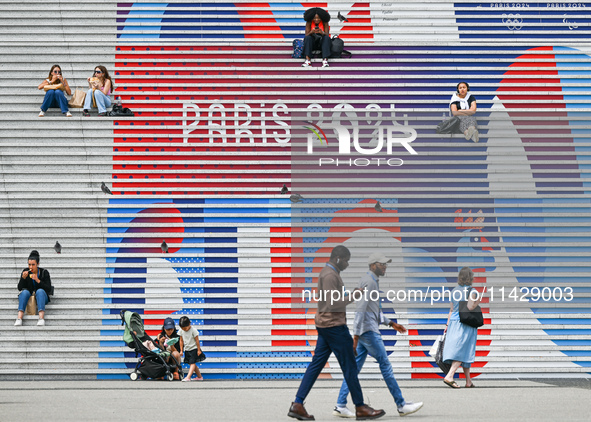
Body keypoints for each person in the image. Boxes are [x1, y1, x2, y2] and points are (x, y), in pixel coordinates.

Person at [288, 245, 385, 421]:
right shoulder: (330, 275)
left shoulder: (328, 273)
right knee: (350, 366)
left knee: (316, 365)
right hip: (334, 327)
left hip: (325, 326)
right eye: (346, 260)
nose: (347, 264)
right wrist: (354, 296)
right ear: (338, 258)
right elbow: (333, 304)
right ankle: (360, 407)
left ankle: (298, 404)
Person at [333, 252, 424, 418]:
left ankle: (340, 405)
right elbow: (360, 310)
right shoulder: (369, 282)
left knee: (353, 369)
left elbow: (373, 311)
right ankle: (401, 405)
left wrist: (392, 323)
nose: (385, 267)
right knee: (385, 365)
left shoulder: (372, 281)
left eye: (386, 264)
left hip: (365, 331)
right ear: (373, 265)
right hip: (368, 332)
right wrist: (355, 337)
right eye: (382, 264)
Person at [442, 267, 482, 388]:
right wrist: (478, 301)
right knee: (462, 350)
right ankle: (449, 376)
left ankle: (468, 381)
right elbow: (470, 307)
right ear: (471, 278)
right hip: (465, 323)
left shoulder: (454, 290)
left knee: (465, 350)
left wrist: (447, 325)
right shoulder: (472, 291)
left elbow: (451, 309)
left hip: (453, 322)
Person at [14, 250, 52, 326]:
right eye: (29, 264)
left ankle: (41, 318)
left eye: (33, 265)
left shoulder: (44, 272)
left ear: (38, 264)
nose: (31, 267)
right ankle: (19, 318)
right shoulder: (26, 271)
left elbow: (48, 289)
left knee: (40, 291)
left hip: (42, 296)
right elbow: (19, 288)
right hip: (29, 295)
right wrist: (23, 278)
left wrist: (38, 281)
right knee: (24, 292)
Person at [178, 316, 204, 381]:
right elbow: (181, 340)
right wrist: (181, 350)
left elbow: (197, 340)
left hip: (194, 349)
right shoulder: (181, 331)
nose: (184, 329)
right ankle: (199, 377)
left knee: (192, 363)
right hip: (187, 349)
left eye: (185, 328)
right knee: (192, 363)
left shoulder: (193, 330)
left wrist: (198, 350)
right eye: (182, 328)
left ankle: (188, 377)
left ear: (189, 324)